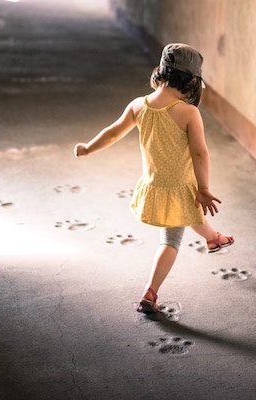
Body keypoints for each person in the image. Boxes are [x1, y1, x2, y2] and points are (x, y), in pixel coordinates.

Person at [74, 43, 234, 313]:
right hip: (179, 187)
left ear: (161, 71)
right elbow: (199, 153)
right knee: (171, 241)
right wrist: (204, 187)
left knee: (187, 213)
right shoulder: (188, 112)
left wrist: (88, 148)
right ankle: (150, 293)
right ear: (193, 81)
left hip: (154, 186)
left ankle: (213, 238)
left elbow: (113, 132)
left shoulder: (139, 105)